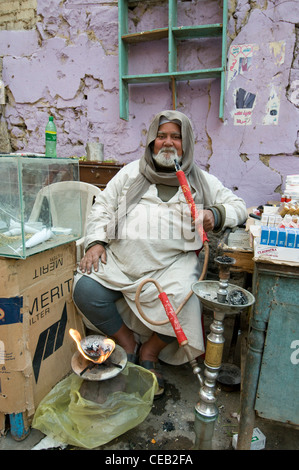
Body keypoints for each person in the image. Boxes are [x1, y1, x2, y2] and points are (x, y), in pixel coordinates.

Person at [73, 110, 247, 396]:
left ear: (186, 143)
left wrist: (214, 214)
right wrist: (95, 242)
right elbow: (102, 207)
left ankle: (150, 353)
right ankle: (127, 343)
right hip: (120, 261)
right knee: (85, 289)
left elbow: (238, 206)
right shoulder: (131, 172)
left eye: (176, 137)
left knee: (184, 306)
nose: (168, 143)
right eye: (161, 136)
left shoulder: (202, 181)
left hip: (170, 266)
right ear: (152, 141)